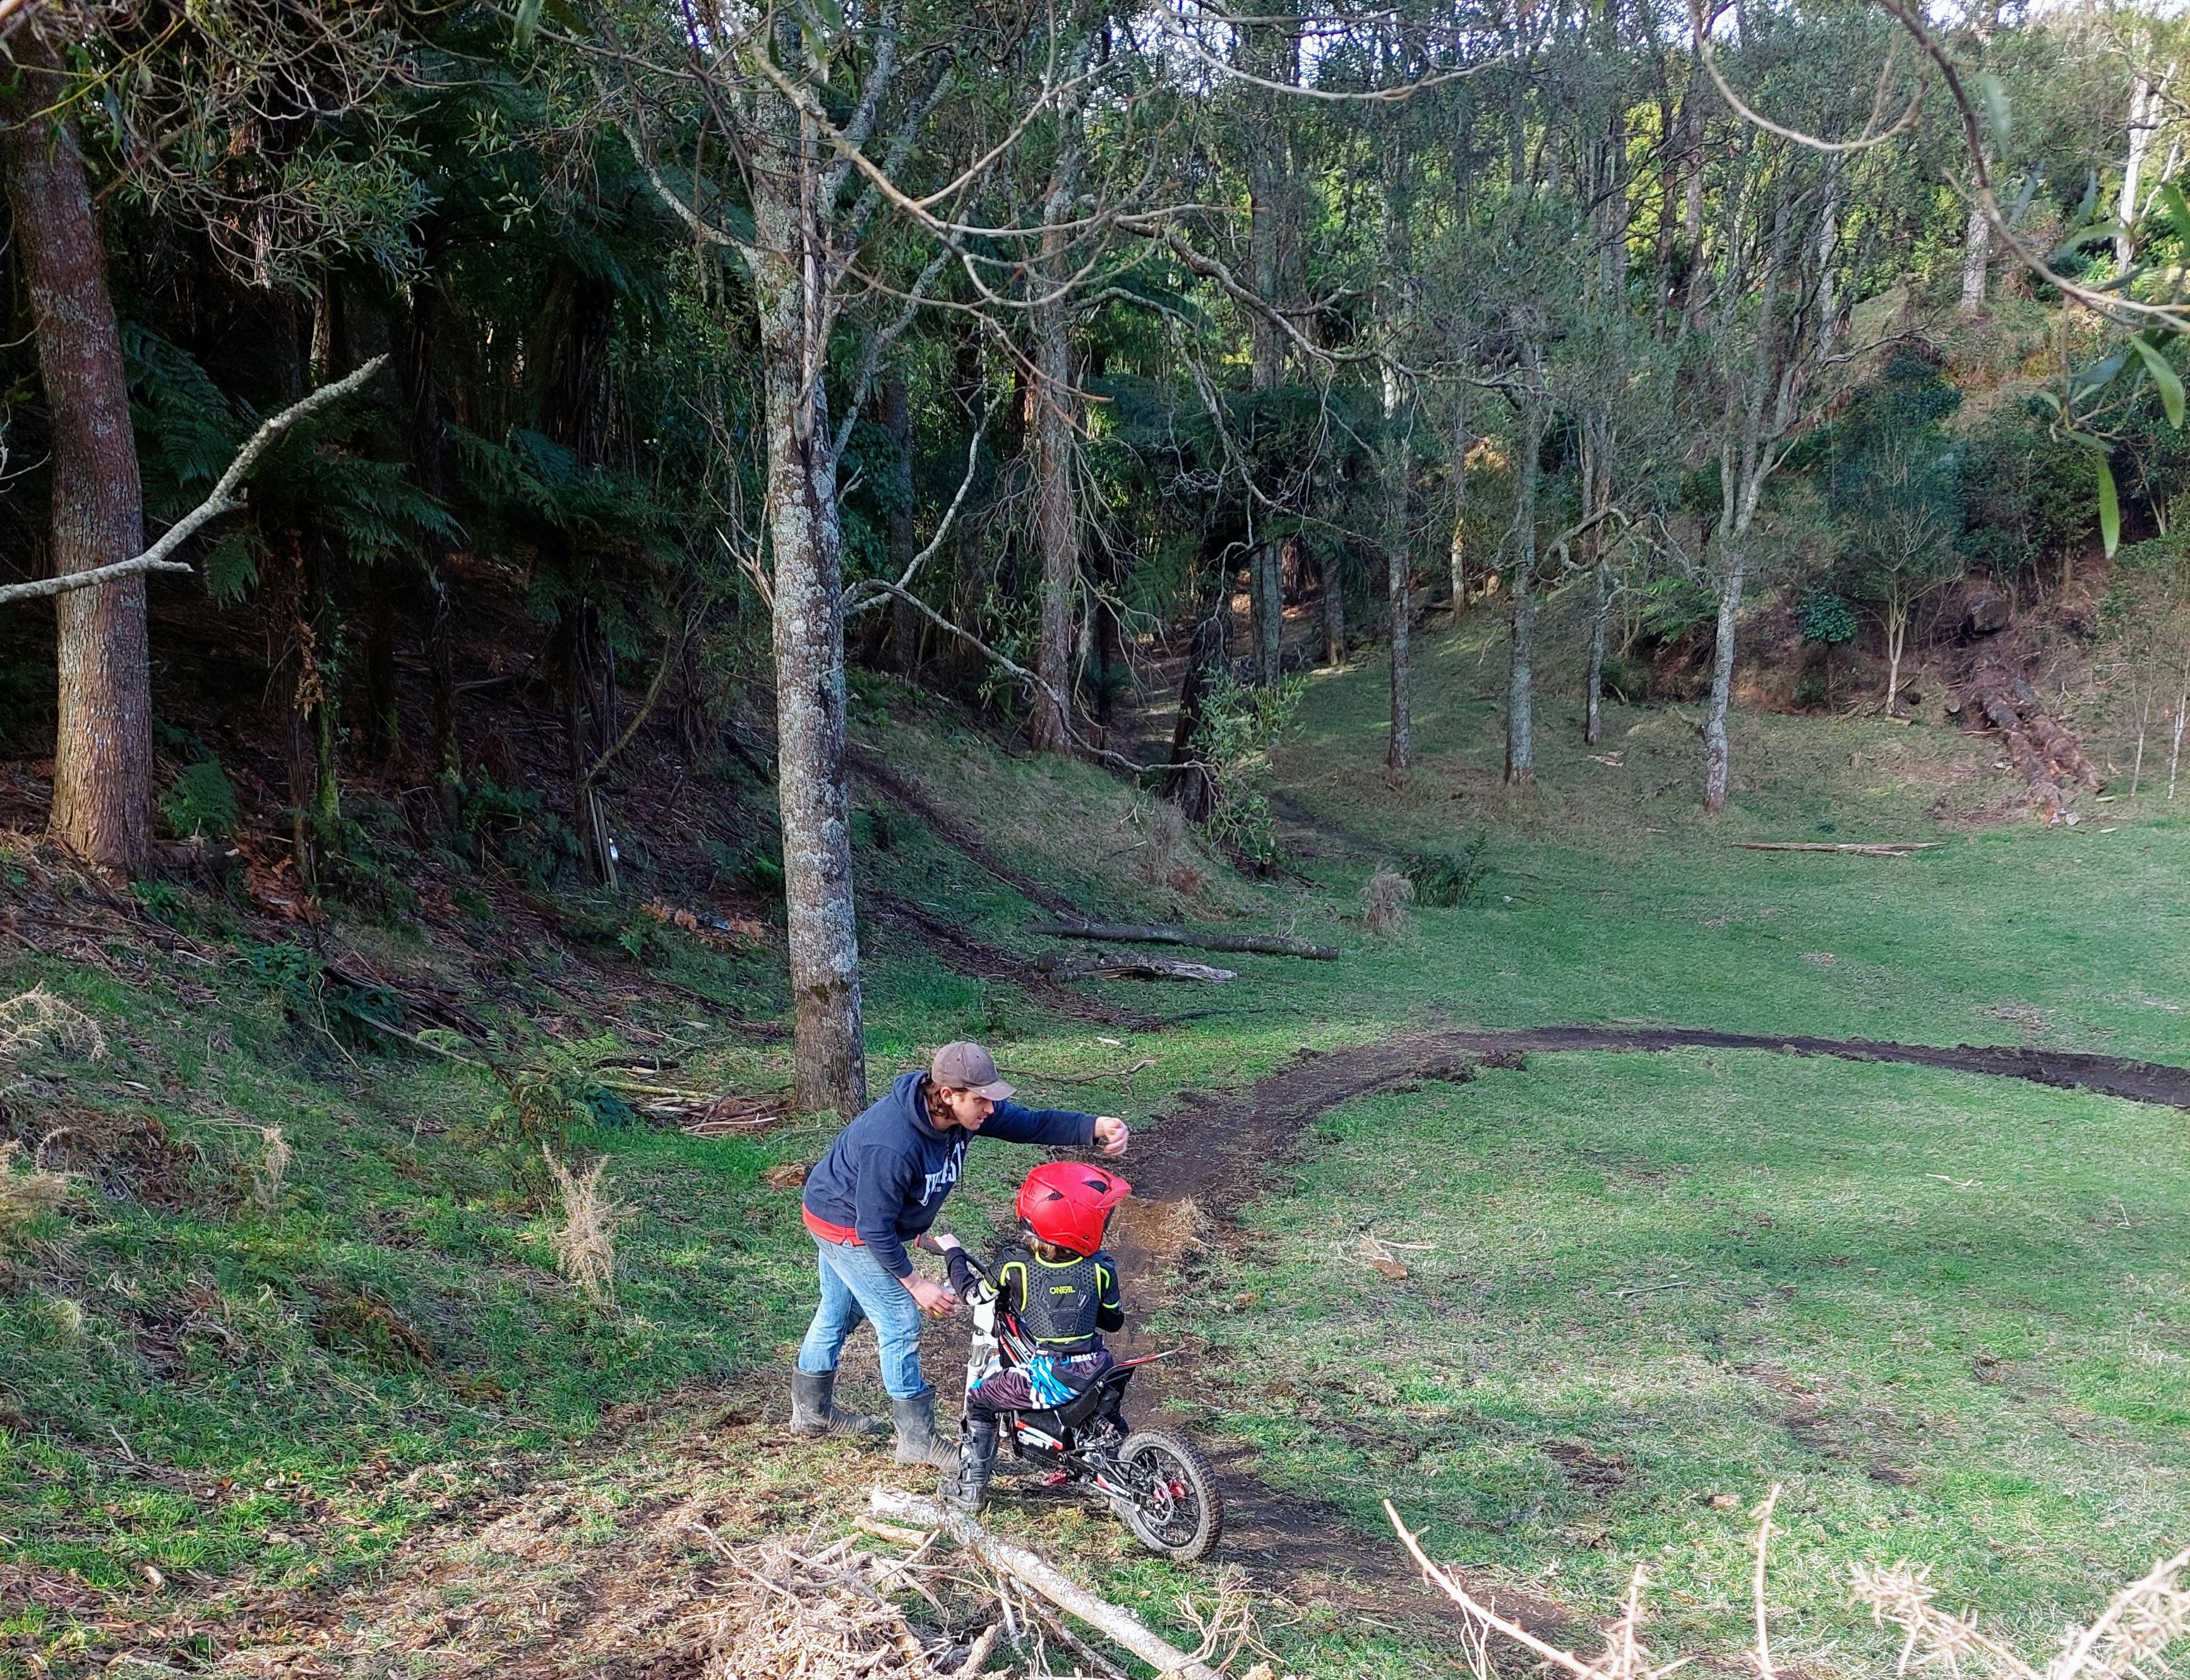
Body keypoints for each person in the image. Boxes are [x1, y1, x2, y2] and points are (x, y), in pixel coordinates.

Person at [791, 1040, 1130, 1467]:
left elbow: (1029, 1123)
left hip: (860, 1219)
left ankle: (811, 1415)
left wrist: (1094, 1125)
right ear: (949, 1095)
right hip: (845, 1223)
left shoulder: (964, 1112)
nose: (990, 1110)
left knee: (839, 1312)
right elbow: (873, 1227)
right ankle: (916, 1441)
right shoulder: (893, 1142)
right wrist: (916, 1283)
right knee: (899, 1319)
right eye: (982, 1101)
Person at [932, 1160, 1132, 1511]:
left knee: (981, 1399)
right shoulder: (1102, 1266)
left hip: (1052, 1374)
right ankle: (1128, 1468)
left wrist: (953, 1254)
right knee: (1107, 1410)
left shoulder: (1016, 1265)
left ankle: (970, 1489)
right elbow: (1113, 1322)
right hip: (1097, 1365)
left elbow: (974, 1295)